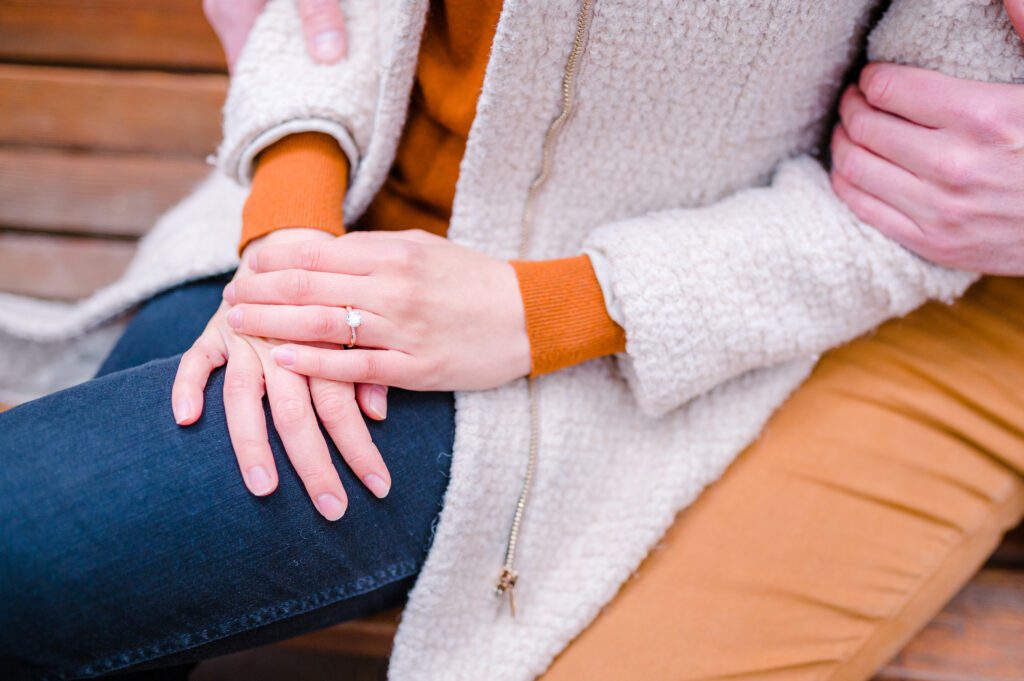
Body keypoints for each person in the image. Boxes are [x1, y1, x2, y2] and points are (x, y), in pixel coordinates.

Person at [0, 2, 1022, 680]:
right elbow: (328, 17)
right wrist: (288, 226)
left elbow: (901, 226)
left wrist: (543, 314)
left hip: (582, 361)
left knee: (37, 547)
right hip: (305, 238)